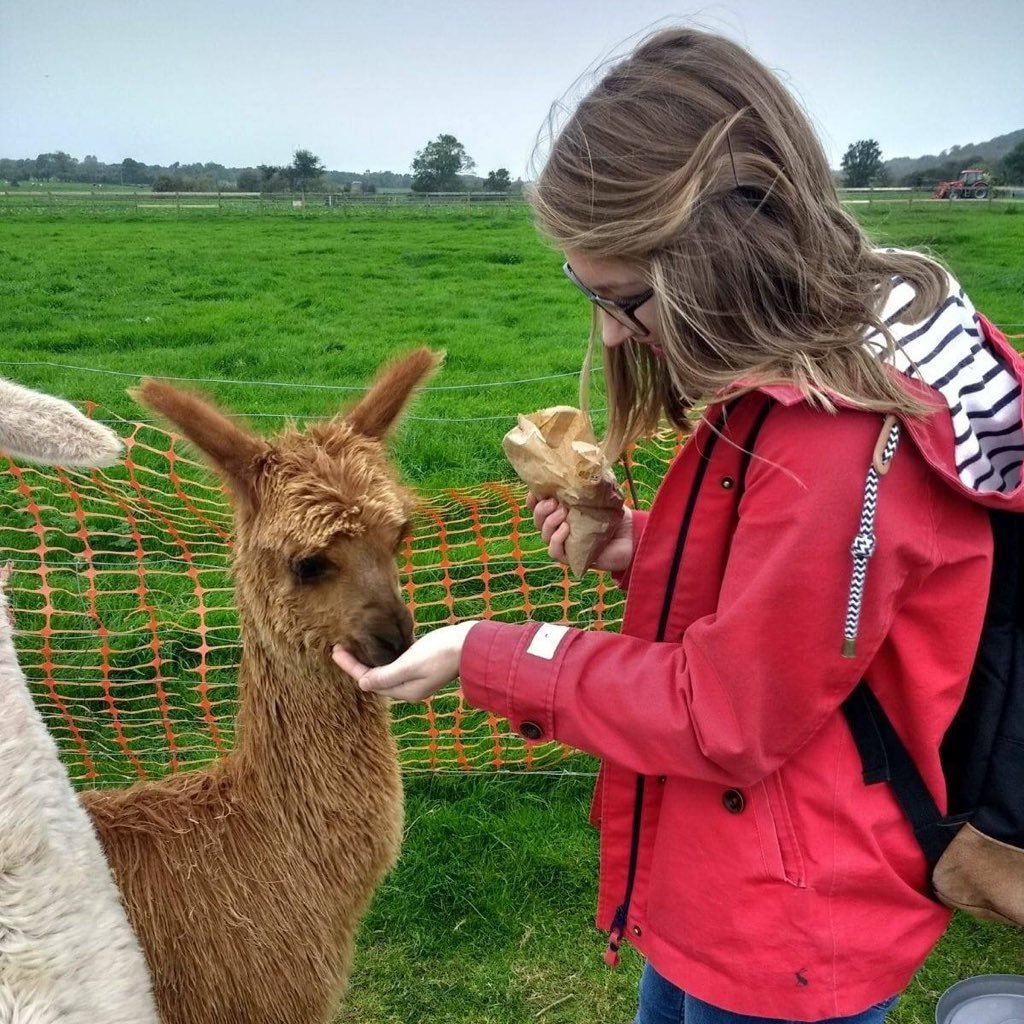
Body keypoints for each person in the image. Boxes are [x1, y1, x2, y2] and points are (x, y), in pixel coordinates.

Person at [333, 27, 1024, 1024]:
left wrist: (482, 652)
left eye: (621, 298)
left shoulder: (837, 438)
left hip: (791, 920)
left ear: (724, 252)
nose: (610, 331)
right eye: (588, 292)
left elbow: (725, 710)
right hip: (736, 875)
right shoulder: (814, 367)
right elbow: (796, 591)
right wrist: (632, 544)